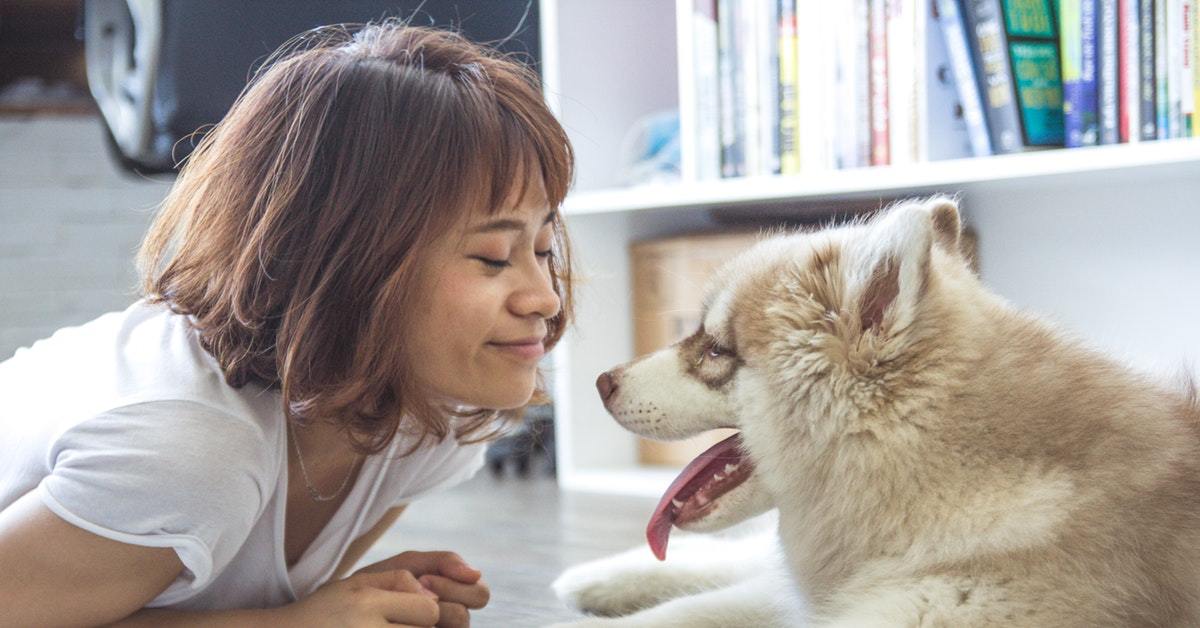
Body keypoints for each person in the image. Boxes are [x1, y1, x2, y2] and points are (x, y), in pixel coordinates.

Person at [0, 19, 573, 627]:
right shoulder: (189, 450)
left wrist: (351, 603)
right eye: (490, 257)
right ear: (346, 259)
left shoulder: (427, 420)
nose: (545, 299)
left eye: (541, 249)